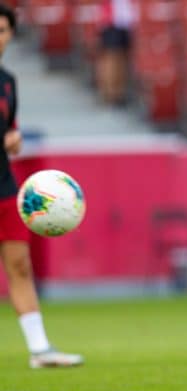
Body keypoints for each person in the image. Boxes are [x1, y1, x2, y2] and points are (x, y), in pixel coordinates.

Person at [0, 3, 83, 368]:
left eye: (1, 30)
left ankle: (40, 349)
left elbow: (8, 129)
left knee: (19, 265)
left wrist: (13, 137)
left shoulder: (7, 81)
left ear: (10, 35)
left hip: (4, 186)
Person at [96, 0, 135, 106]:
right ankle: (110, 93)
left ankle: (119, 92)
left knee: (122, 58)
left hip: (125, 21)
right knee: (112, 57)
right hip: (111, 21)